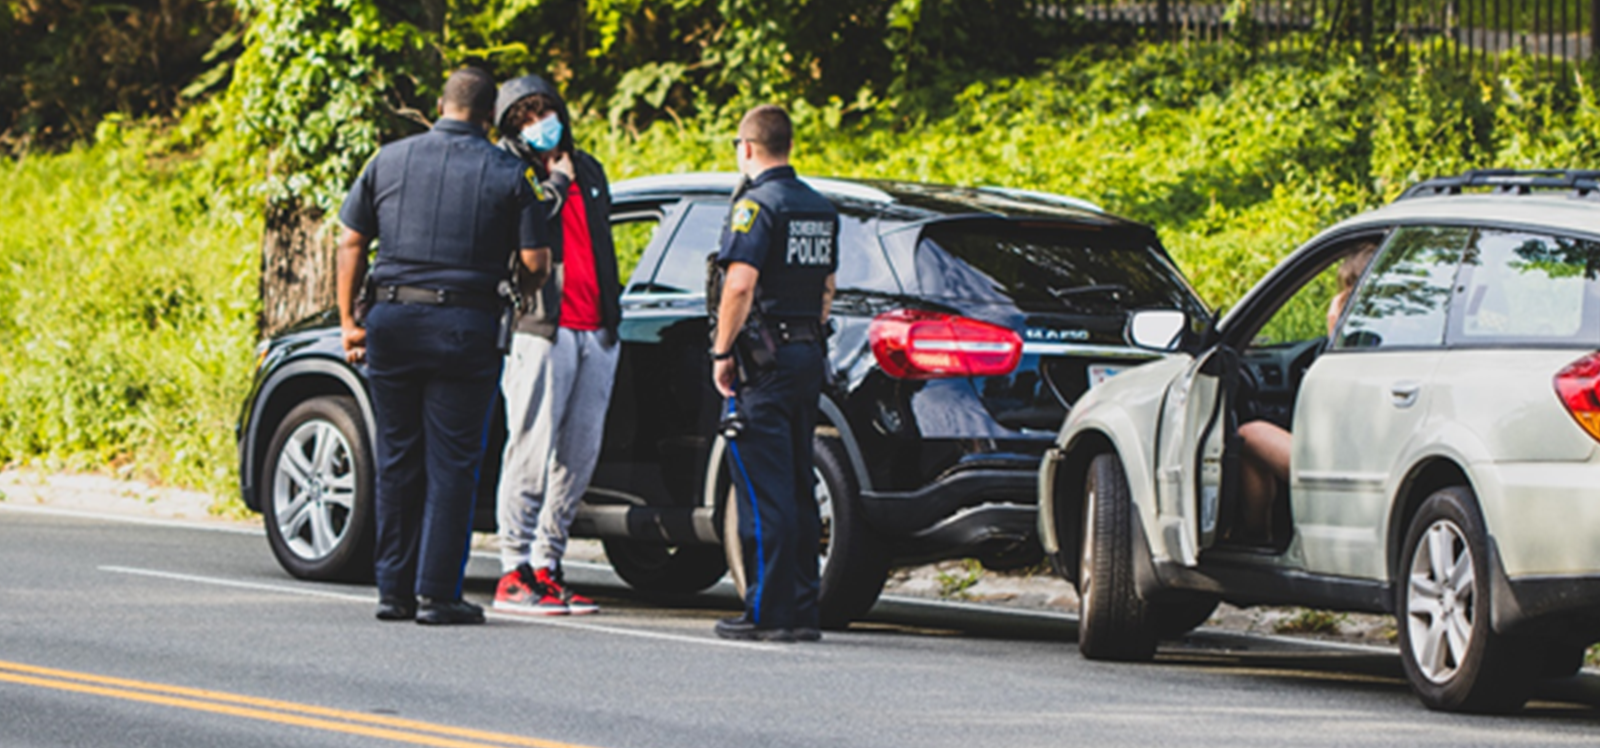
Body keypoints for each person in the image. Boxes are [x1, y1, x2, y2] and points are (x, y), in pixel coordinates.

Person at [335, 67, 551, 625]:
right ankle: (438, 594)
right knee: (453, 462)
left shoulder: (387, 160)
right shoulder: (510, 171)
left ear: (440, 104)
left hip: (393, 322)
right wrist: (518, 294)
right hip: (465, 327)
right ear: (487, 117)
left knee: (398, 456)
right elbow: (535, 263)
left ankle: (393, 591)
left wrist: (348, 321)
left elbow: (351, 240)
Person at [489, 75, 620, 616]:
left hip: (596, 327)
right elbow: (518, 237)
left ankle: (548, 562)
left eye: (542, 112)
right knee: (530, 445)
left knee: (578, 454)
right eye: (523, 118)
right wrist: (556, 186)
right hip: (541, 326)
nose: (537, 124)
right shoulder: (509, 172)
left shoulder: (588, 169)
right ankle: (512, 567)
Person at [709, 104, 839, 642]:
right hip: (808, 353)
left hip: (763, 361)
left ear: (747, 148)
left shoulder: (756, 207)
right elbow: (828, 286)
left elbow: (739, 284)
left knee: (764, 489)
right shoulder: (820, 207)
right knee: (797, 485)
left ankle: (767, 611)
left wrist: (723, 352)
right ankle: (803, 610)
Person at [1236, 243, 1376, 541]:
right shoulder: (1401, 336)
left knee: (1250, 433)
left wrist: (1335, 332)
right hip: (1368, 463)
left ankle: (1255, 537)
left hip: (1343, 466)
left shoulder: (1355, 347)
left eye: (1347, 291)